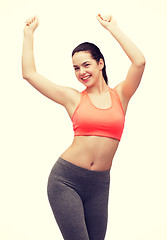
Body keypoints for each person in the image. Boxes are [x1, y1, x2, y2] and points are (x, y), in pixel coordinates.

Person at [22, 13, 145, 240]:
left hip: (100, 184)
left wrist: (113, 28)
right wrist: (28, 34)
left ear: (101, 63)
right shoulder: (73, 98)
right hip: (66, 180)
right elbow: (29, 74)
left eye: (86, 65)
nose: (81, 72)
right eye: (76, 68)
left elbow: (139, 61)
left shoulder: (121, 95)